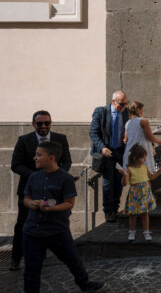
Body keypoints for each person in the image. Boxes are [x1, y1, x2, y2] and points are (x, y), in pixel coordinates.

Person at [22, 141, 105, 292]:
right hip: (32, 230)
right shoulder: (33, 177)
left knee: (73, 260)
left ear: (51, 158)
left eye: (39, 155)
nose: (35, 158)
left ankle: (85, 284)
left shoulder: (66, 178)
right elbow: (26, 198)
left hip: (57, 230)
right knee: (31, 269)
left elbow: (69, 203)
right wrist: (31, 204)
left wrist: (51, 208)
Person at [10, 110, 72, 271]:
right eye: (40, 123)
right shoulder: (24, 140)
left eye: (47, 123)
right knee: (23, 224)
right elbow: (15, 164)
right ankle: (15, 259)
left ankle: (65, 259)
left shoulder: (60, 139)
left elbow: (67, 161)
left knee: (56, 222)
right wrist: (35, 176)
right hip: (29, 190)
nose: (44, 126)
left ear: (51, 123)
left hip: (54, 191)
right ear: (33, 124)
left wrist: (57, 175)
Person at [89, 90, 129, 222]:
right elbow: (93, 133)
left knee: (118, 181)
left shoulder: (126, 112)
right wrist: (102, 148)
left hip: (120, 152)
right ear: (113, 101)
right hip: (107, 152)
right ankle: (108, 211)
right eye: (121, 104)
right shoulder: (101, 112)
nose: (124, 107)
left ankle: (115, 209)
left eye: (126, 104)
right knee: (107, 182)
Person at [120, 144, 161, 242]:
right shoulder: (129, 169)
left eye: (145, 157)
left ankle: (146, 232)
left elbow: (152, 177)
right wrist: (124, 175)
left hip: (145, 194)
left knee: (145, 214)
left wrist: (160, 169)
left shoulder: (144, 167)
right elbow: (124, 183)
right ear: (135, 158)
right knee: (133, 214)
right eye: (143, 158)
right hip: (135, 194)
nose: (145, 160)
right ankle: (132, 232)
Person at [122, 101, 161, 171]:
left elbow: (125, 140)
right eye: (143, 110)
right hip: (141, 153)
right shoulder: (143, 121)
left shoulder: (127, 123)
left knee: (131, 175)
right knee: (144, 175)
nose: (143, 112)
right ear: (138, 110)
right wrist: (159, 141)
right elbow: (149, 137)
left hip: (130, 153)